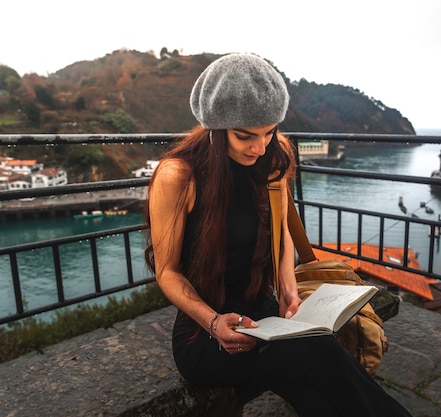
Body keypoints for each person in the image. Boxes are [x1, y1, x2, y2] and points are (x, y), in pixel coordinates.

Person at [145, 53, 412, 417]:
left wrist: (288, 291)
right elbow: (168, 272)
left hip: (267, 317)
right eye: (245, 136)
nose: (260, 146)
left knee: (318, 388)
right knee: (323, 358)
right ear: (214, 127)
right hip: (205, 335)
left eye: (269, 132)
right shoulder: (179, 176)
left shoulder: (272, 157)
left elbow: (282, 233)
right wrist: (212, 321)